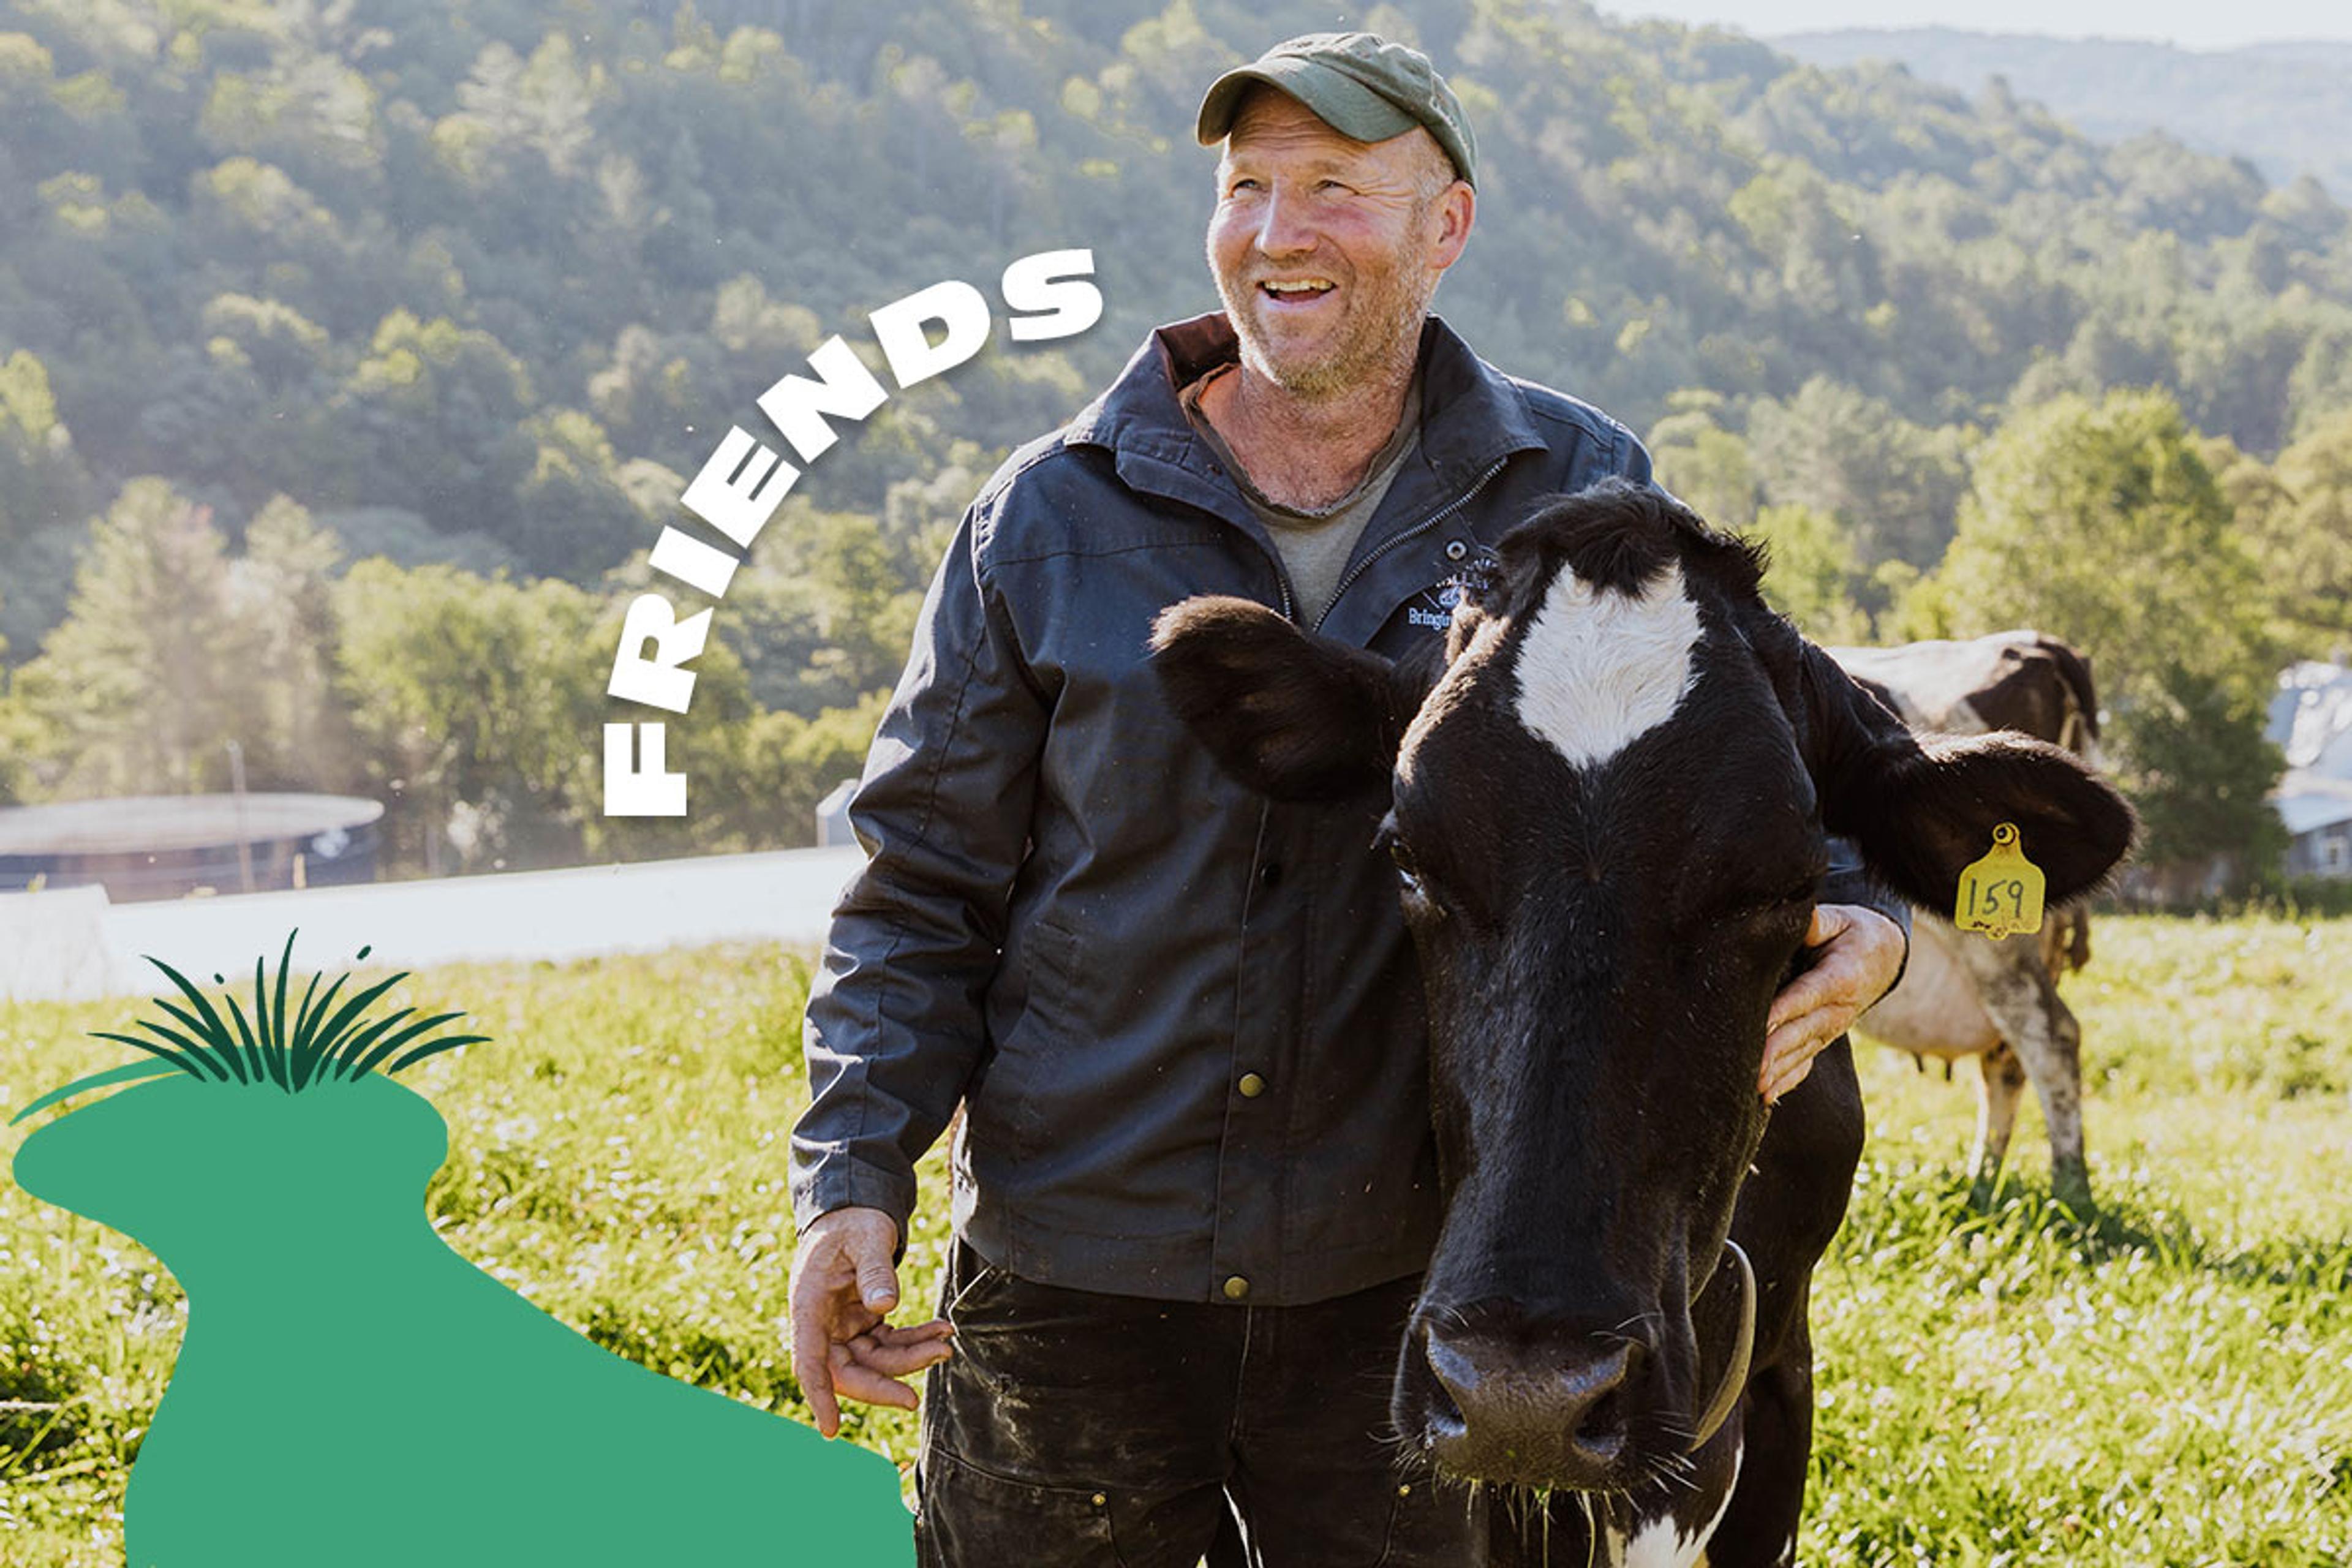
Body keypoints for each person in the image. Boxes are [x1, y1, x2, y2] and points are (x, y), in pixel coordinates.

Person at [788, 32, 1909, 1567]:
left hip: (1407, 1271)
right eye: (1247, 187)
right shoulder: (1044, 519)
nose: (1278, 230)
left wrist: (1871, 906)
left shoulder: (1574, 486)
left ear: (1446, 225)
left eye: (1335, 188)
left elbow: (1743, 748)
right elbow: (918, 880)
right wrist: (854, 1176)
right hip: (1074, 1272)